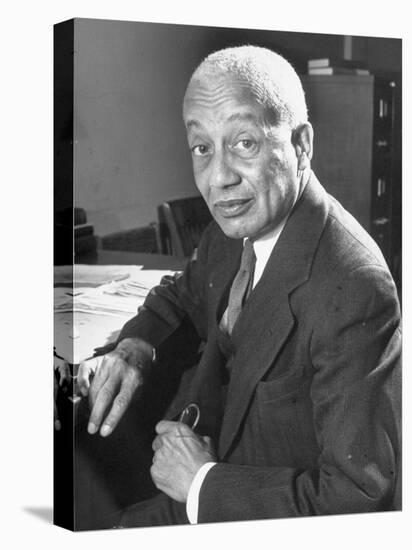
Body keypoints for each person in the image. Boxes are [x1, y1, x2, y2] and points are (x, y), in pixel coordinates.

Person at [77, 45, 401, 526]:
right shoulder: (235, 224)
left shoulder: (354, 287)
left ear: (301, 145)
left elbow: (358, 498)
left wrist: (201, 482)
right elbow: (180, 291)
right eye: (202, 148)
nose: (218, 178)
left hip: (246, 506)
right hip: (189, 443)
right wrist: (133, 347)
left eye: (244, 142)